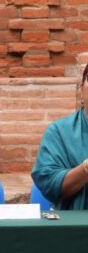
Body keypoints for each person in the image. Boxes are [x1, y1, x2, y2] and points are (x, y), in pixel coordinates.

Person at [32, 63, 88, 209]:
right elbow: (49, 184)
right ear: (81, 90)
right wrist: (85, 169)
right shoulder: (59, 132)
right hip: (75, 221)